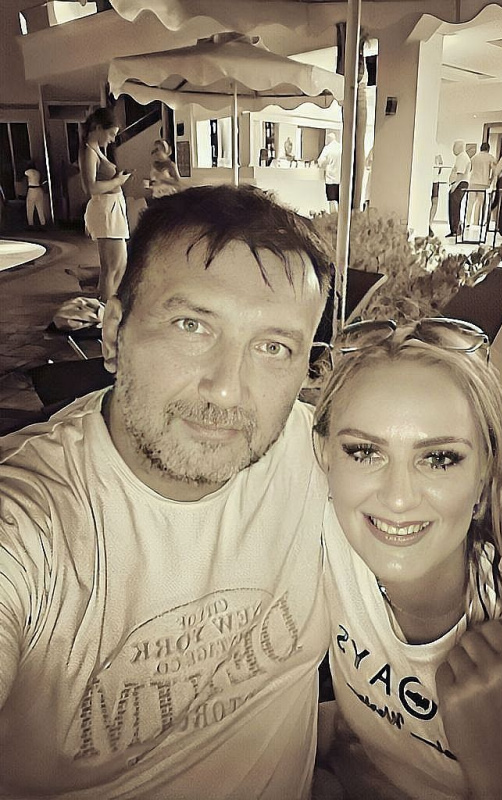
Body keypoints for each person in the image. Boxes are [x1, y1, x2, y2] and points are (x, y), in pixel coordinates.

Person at [0, 185, 334, 799]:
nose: (227, 390)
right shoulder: (31, 518)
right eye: (191, 325)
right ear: (113, 334)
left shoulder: (323, 459)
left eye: (273, 347)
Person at [313, 318, 502, 800]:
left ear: (485, 472)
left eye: (439, 458)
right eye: (364, 452)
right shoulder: (327, 534)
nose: (398, 498)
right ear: (325, 455)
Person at [79, 107, 131, 302]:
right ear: (99, 128)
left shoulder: (95, 150)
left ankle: (106, 305)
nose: (112, 139)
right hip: (105, 210)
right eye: (111, 134)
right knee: (112, 267)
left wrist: (117, 180)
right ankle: (106, 308)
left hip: (111, 209)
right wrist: (117, 181)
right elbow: (90, 187)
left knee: (118, 265)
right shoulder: (89, 151)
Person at [466, 143, 496, 229]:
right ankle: (479, 221)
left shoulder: (474, 157)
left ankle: (467, 221)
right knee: (481, 203)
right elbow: (494, 170)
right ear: (488, 149)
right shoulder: (490, 157)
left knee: (470, 202)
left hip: (473, 182)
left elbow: (469, 169)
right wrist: (491, 179)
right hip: (483, 183)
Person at [446, 140, 471, 239]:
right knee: (454, 206)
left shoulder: (462, 157)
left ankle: (455, 229)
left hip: (460, 183)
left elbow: (460, 173)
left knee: (454, 207)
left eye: (454, 147)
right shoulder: (461, 157)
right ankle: (455, 229)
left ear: (459, 147)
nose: (453, 149)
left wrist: (455, 185)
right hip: (460, 183)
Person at [317, 132, 342, 213]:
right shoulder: (341, 148)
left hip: (331, 179)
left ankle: (333, 217)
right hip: (341, 179)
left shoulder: (327, 148)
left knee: (331, 201)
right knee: (341, 201)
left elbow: (320, 162)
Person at [24, 161, 46, 228]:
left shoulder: (28, 171)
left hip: (32, 190)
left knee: (30, 208)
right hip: (39, 189)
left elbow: (24, 174)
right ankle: (43, 223)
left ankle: (30, 224)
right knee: (40, 208)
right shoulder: (38, 172)